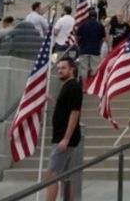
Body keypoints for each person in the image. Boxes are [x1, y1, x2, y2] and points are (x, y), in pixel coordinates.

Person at [45, 59, 83, 201]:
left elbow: (75, 112)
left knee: (51, 174)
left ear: (72, 69)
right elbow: (64, 110)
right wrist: (52, 100)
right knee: (64, 176)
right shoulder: (67, 86)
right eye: (59, 68)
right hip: (61, 136)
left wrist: (66, 138)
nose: (60, 71)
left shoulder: (73, 87)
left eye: (63, 68)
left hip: (64, 138)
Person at [75, 9, 106, 80]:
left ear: (88, 16)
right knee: (95, 70)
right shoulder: (100, 25)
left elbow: (77, 36)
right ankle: (92, 85)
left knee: (83, 69)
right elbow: (104, 38)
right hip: (95, 50)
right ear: (96, 16)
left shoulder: (83, 25)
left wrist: (79, 44)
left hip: (84, 49)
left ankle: (84, 85)